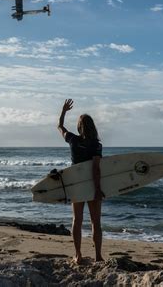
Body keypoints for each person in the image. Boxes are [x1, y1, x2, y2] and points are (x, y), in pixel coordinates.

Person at [57, 98, 104, 264]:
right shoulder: (96, 146)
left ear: (79, 127)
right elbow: (96, 169)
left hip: (76, 185)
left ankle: (78, 255)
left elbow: (60, 127)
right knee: (95, 222)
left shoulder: (73, 140)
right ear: (93, 127)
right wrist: (98, 189)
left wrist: (63, 111)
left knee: (77, 220)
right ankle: (98, 256)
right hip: (91, 185)